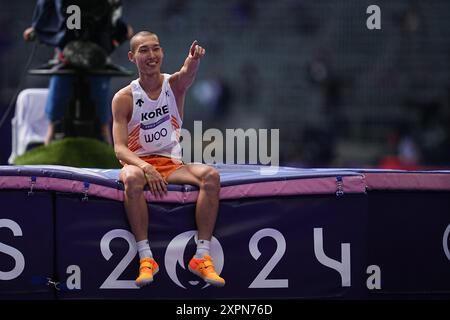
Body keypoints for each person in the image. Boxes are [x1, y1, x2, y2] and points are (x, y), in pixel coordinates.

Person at [112, 31, 225, 288]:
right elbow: (119, 149)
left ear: (162, 53)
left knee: (211, 176)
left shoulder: (173, 86)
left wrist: (193, 59)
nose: (151, 55)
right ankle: (146, 258)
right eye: (144, 50)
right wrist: (144, 166)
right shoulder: (124, 98)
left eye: (156, 49)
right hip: (138, 163)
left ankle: (201, 256)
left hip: (170, 162)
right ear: (132, 57)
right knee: (131, 177)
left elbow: (187, 73)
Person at [23, 0, 133, 145]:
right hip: (66, 55)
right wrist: (38, 30)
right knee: (59, 87)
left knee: (100, 94)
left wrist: (122, 31)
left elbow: (114, 22)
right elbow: (48, 12)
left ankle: (106, 134)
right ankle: (50, 134)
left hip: (97, 57)